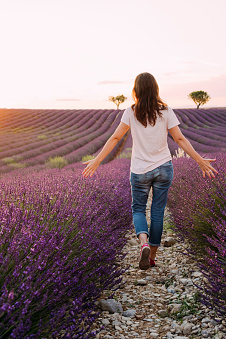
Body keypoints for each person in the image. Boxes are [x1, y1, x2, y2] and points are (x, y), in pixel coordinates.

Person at [82, 72, 217, 270]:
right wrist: (199, 160)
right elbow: (179, 139)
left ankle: (143, 242)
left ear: (136, 90)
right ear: (155, 89)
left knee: (138, 208)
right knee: (157, 212)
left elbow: (115, 138)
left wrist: (97, 160)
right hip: (163, 167)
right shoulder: (166, 110)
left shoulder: (131, 111)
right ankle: (152, 257)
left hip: (139, 170)